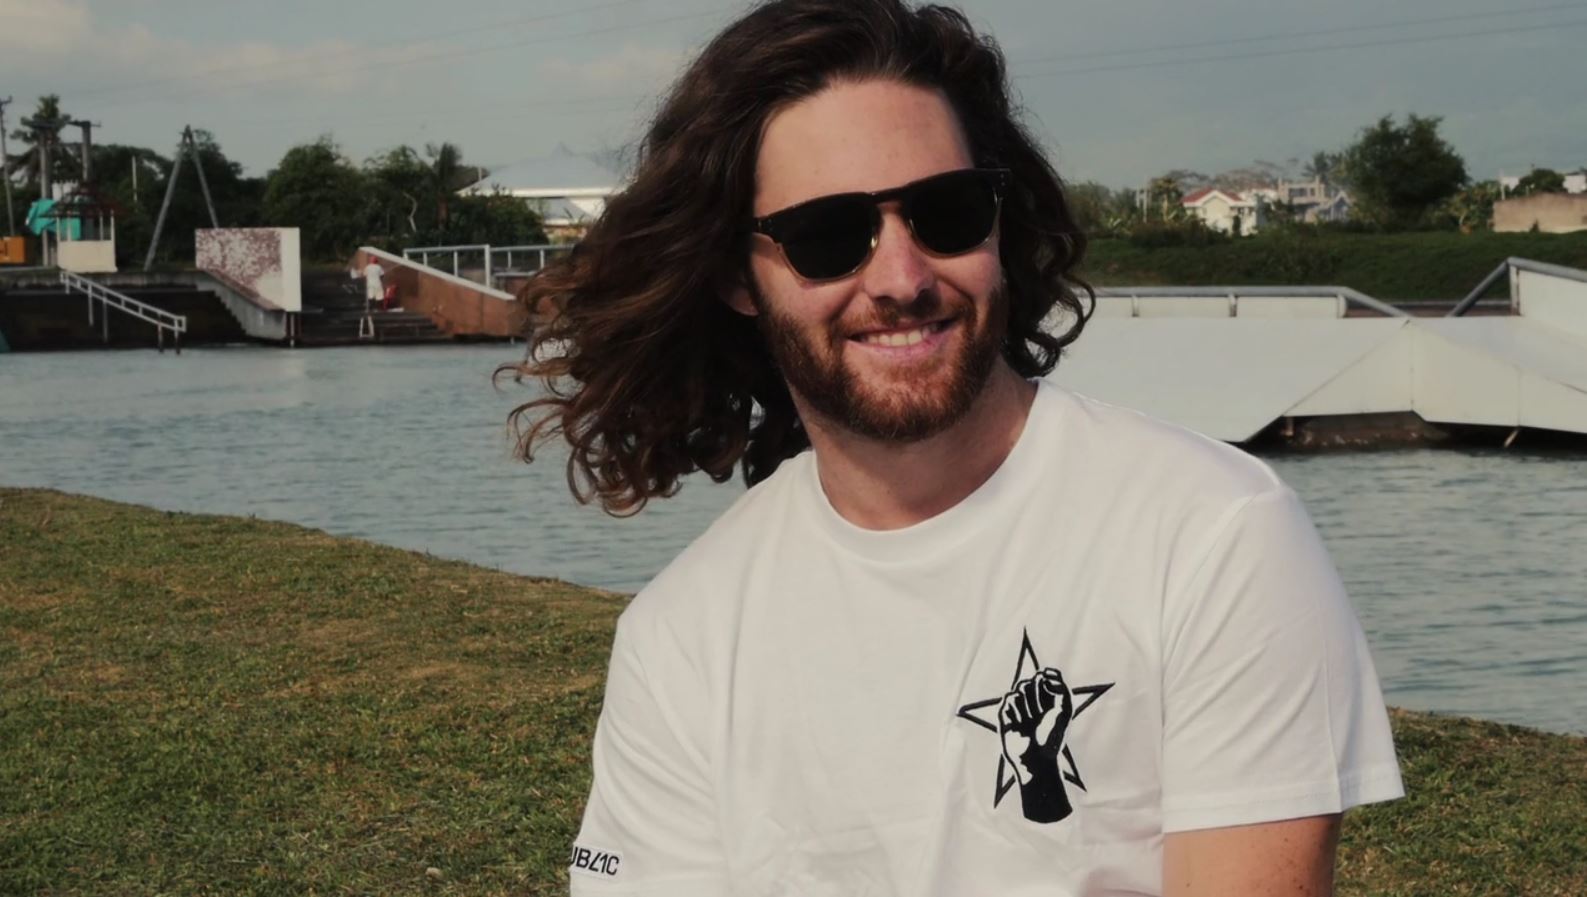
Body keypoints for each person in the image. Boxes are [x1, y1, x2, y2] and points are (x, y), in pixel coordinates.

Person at [504, 2, 1404, 894]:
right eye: (827, 236)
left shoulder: (1215, 536)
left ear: (999, 225)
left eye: (947, 211)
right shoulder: (681, 637)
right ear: (735, 275)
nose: (901, 278)